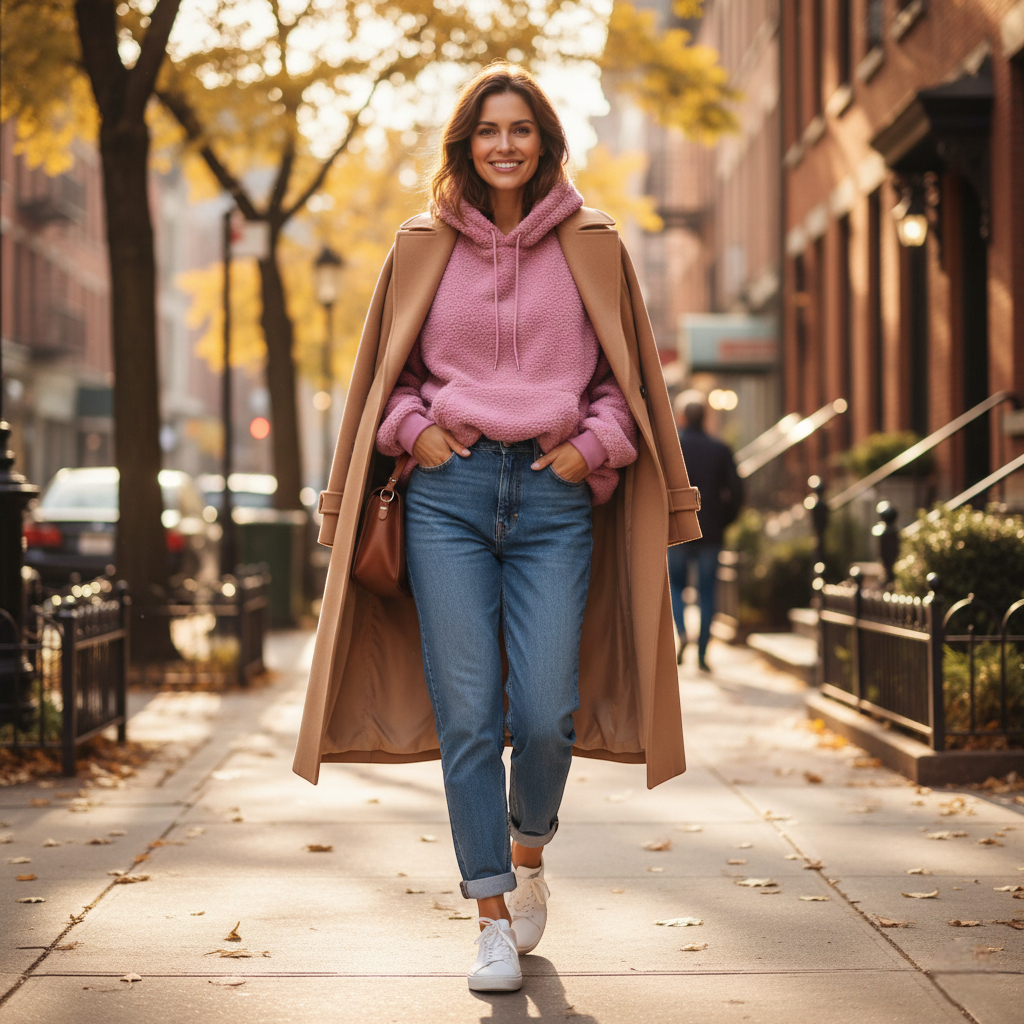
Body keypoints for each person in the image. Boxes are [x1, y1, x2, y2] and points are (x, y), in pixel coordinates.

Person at [292, 63, 702, 995]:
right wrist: (418, 435)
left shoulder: (593, 243)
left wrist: (586, 449)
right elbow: (381, 381)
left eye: (521, 129)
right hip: (449, 497)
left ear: (546, 141)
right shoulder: (419, 244)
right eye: (488, 130)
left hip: (558, 500)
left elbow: (625, 384)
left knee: (547, 713)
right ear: (465, 143)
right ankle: (487, 917)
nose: (505, 144)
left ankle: (526, 855)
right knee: (470, 716)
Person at [667, 390, 743, 672]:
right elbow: (736, 491)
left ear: (682, 416)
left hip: (676, 530)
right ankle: (702, 654)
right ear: (706, 416)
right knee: (708, 591)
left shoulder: (673, 447)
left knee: (675, 586)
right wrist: (726, 521)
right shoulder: (719, 448)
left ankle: (683, 633)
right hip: (711, 531)